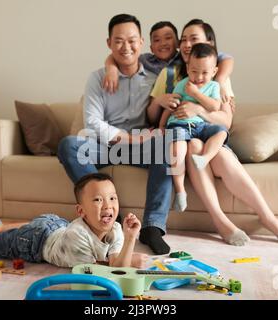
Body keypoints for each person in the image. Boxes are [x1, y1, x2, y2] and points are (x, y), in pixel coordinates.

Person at [149, 19, 278, 246]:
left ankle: (269, 218)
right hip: (183, 138)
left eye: (194, 39)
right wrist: (162, 102)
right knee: (193, 147)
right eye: (184, 39)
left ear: (210, 44)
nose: (187, 44)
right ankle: (221, 222)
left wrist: (199, 108)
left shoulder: (216, 79)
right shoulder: (170, 75)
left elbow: (225, 120)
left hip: (208, 134)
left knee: (218, 153)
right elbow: (153, 115)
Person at [57, 14, 173, 255]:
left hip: (142, 147)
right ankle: (111, 215)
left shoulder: (156, 78)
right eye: (118, 41)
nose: (126, 47)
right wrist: (129, 138)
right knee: (68, 145)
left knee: (166, 149)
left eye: (132, 40)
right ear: (109, 43)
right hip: (105, 145)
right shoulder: (98, 78)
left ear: (141, 42)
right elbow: (92, 122)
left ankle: (152, 227)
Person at [0, 173, 148, 268]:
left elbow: (116, 262)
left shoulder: (116, 229)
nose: (108, 206)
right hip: (36, 242)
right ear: (81, 211)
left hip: (56, 224)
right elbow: (99, 269)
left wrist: (131, 239)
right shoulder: (76, 234)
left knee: (24, 227)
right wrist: (130, 259)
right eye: (98, 200)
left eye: (113, 198)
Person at [159, 43, 229, 212]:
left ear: (214, 71)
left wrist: (196, 93)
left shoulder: (214, 86)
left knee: (221, 133)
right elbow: (171, 106)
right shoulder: (181, 84)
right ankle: (180, 191)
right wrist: (161, 125)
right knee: (177, 150)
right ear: (188, 67)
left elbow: (214, 107)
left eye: (205, 72)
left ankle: (204, 158)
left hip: (202, 125)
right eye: (194, 71)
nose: (198, 77)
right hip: (180, 124)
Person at [103, 21, 182, 94]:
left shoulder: (185, 59)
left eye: (168, 38)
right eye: (157, 40)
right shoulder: (146, 60)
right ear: (151, 48)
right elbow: (121, 56)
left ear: (178, 43)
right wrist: (111, 70)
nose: (163, 43)